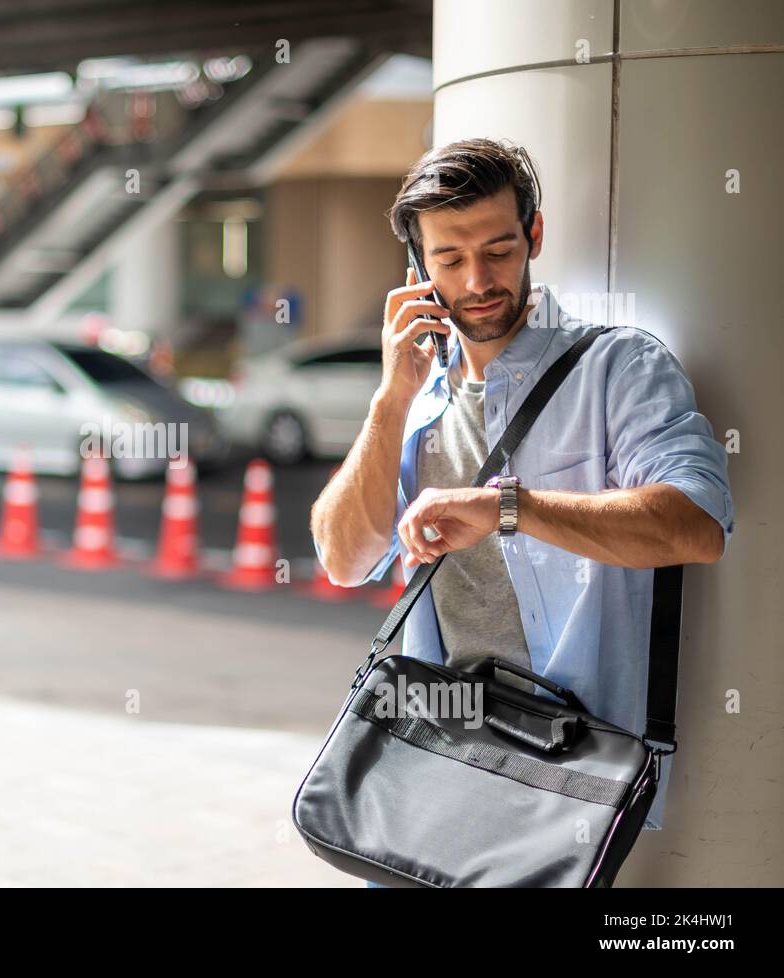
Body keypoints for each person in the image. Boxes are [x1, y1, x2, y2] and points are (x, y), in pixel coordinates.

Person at [309, 138, 734, 853]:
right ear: (417, 268)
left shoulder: (619, 367)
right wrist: (390, 398)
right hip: (444, 756)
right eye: (449, 259)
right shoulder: (415, 402)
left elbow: (694, 527)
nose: (478, 279)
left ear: (533, 234)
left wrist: (510, 509)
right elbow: (344, 559)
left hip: (573, 781)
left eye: (500, 250)